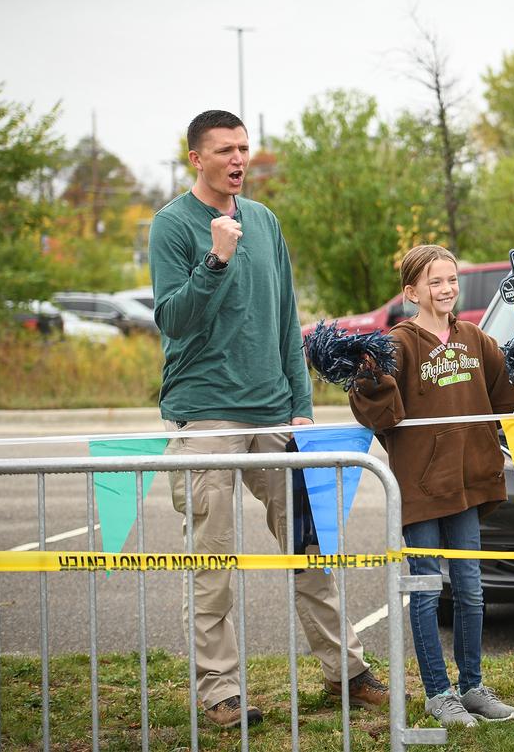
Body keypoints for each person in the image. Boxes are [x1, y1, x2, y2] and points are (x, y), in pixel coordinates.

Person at [150, 110, 388, 729]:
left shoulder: (264, 221)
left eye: (245, 148)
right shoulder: (173, 226)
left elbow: (287, 318)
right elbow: (172, 320)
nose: (238, 159)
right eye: (225, 149)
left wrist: (299, 402)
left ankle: (347, 672)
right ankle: (219, 692)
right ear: (195, 157)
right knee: (212, 562)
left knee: (312, 548)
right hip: (205, 419)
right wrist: (215, 261)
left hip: (275, 414)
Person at [349, 244, 514, 727]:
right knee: (428, 591)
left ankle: (472, 686)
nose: (447, 289)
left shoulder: (475, 338)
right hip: (422, 489)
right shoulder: (398, 343)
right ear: (412, 292)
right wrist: (368, 381)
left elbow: (511, 390)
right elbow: (381, 412)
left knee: (473, 592)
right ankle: (438, 692)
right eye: (436, 282)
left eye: (452, 279)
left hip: (469, 484)